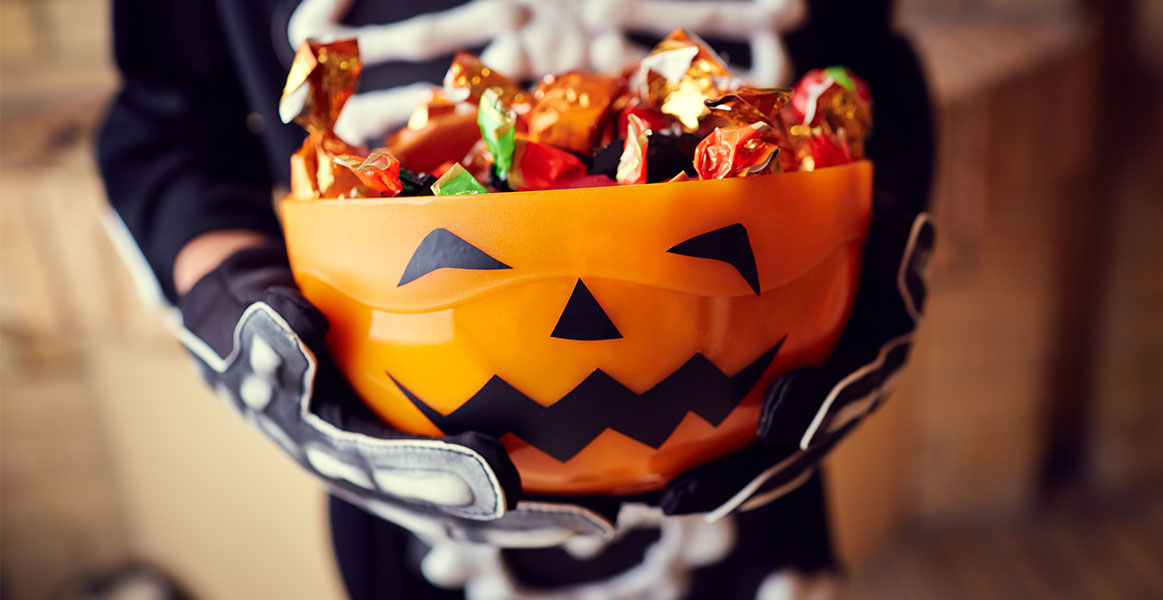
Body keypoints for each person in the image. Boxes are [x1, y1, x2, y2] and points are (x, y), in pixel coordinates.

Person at [98, 1, 934, 597]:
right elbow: (167, 130)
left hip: (758, 471)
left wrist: (866, 255)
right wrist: (238, 312)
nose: (585, 327)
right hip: (415, 517)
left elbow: (873, 62)